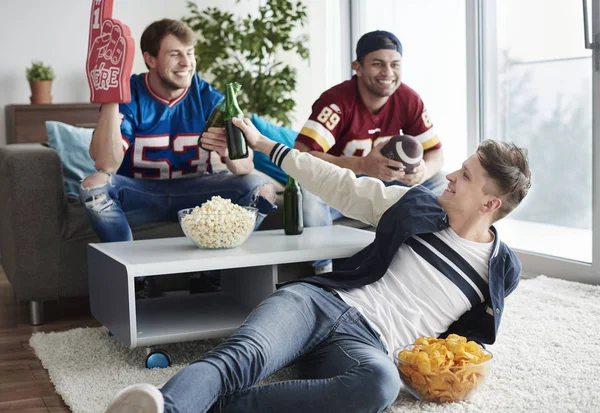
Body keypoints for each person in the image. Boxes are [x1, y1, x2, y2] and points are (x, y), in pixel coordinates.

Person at [104, 116, 531, 413]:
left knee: (379, 387)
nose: (451, 175)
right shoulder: (414, 203)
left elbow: (467, 343)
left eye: (467, 176)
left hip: (369, 349)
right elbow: (340, 185)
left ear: (490, 204)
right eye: (461, 167)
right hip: (318, 303)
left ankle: (212, 407)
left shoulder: (499, 270)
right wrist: (266, 145)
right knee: (245, 356)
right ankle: (171, 407)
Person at [80, 19, 277, 294]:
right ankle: (134, 280)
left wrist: (227, 150)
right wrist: (111, 95)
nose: (186, 63)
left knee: (262, 189)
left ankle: (212, 276)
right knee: (94, 187)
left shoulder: (209, 97)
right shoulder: (131, 93)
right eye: (175, 55)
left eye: (190, 53)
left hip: (196, 194)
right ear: (150, 59)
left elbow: (245, 167)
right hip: (140, 193)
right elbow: (105, 164)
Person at [294, 30, 446, 275]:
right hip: (341, 190)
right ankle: (323, 272)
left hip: (386, 185)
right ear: (358, 67)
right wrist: (363, 165)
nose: (388, 72)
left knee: (441, 179)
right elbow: (301, 155)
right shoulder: (336, 101)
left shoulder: (408, 98)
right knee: (309, 190)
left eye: (395, 64)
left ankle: (422, 257)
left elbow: (436, 154)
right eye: (377, 64)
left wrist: (422, 172)